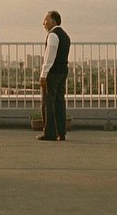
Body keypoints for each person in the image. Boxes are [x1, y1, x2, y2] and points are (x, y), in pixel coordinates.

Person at [37, 10, 71, 141]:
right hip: (62, 71)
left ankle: (50, 132)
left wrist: (43, 74)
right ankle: (61, 132)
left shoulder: (52, 35)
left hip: (53, 72)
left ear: (53, 21)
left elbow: (49, 56)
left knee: (48, 102)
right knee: (59, 101)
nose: (44, 23)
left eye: (46, 20)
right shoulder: (65, 36)